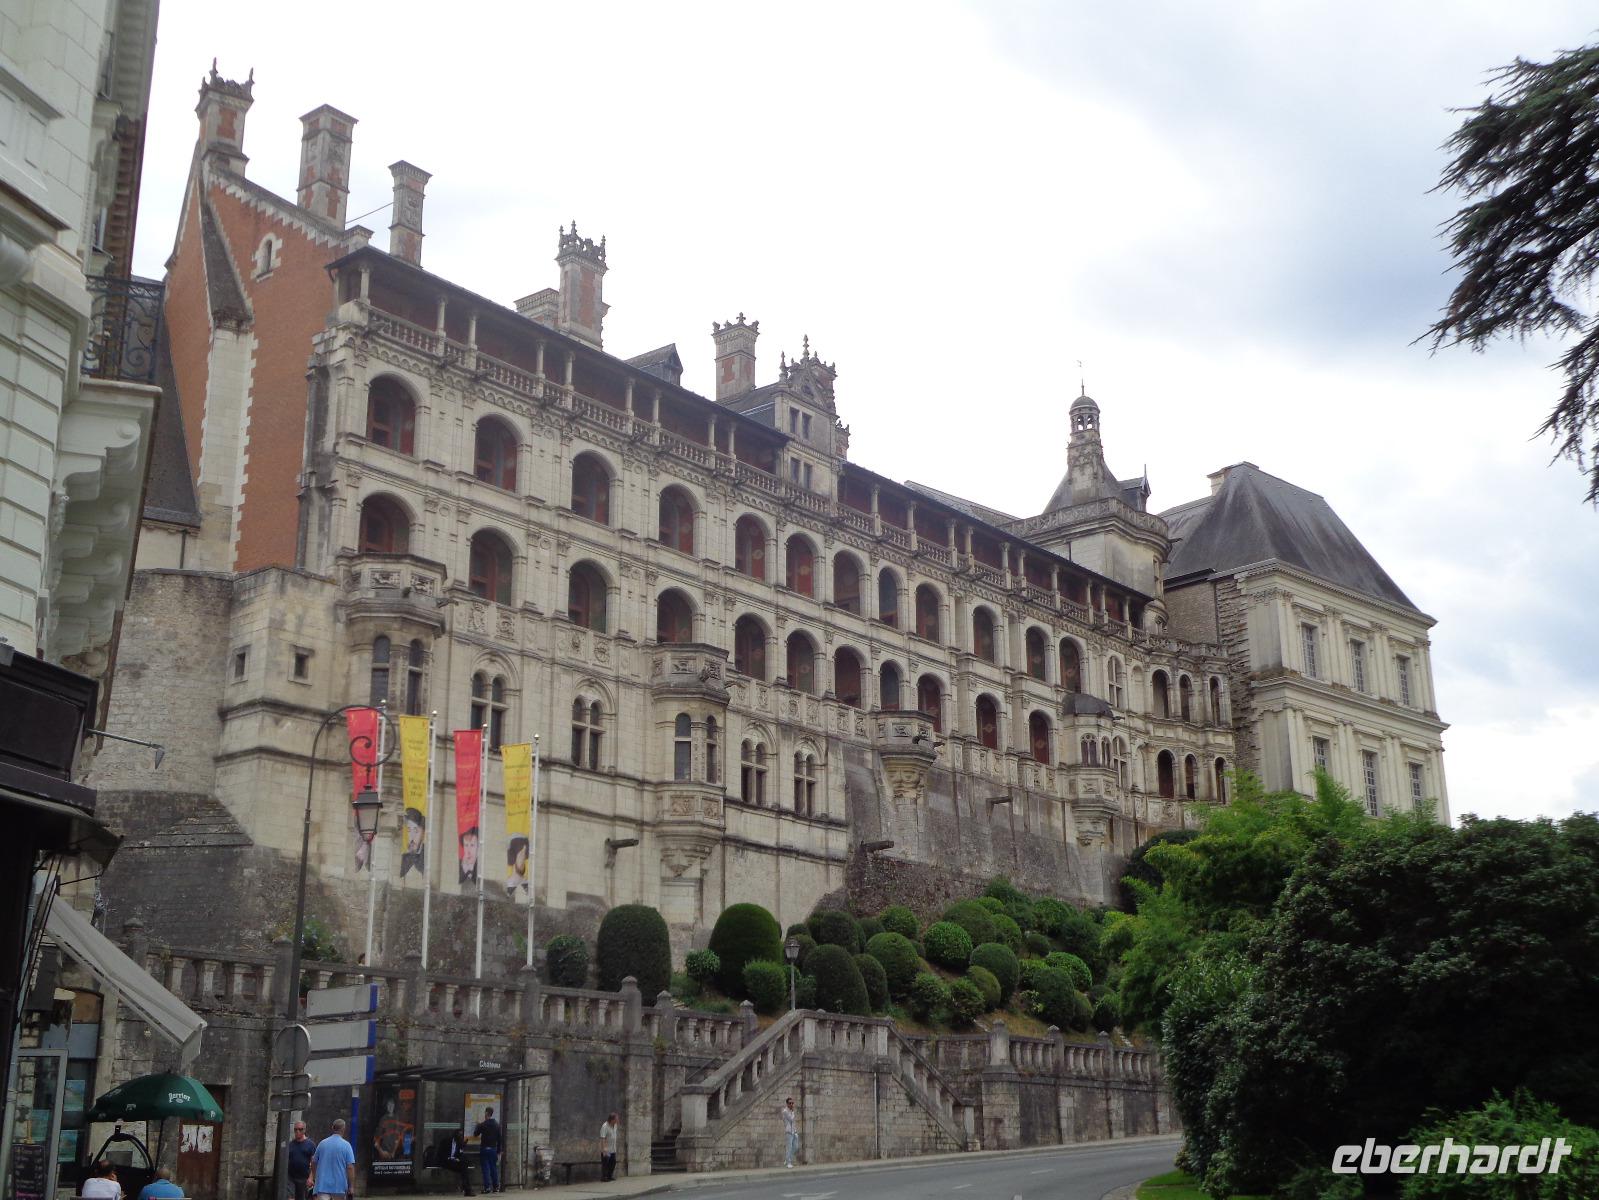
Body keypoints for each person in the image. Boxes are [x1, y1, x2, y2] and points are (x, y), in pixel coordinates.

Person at [309, 1118, 355, 1200]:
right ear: (344, 1129)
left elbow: (313, 1162)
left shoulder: (322, 1144)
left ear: (332, 1128)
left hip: (322, 1186)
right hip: (339, 1187)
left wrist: (316, 1177)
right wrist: (351, 1186)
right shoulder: (347, 1146)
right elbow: (350, 1167)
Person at [472, 1107, 502, 1193]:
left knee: (485, 1168)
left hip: (484, 1149)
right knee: (493, 1168)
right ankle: (496, 1187)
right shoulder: (497, 1125)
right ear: (492, 1114)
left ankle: (487, 1188)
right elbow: (500, 1139)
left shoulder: (482, 1124)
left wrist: (477, 1125)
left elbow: (475, 1134)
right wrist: (499, 1151)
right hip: (493, 1149)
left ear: (486, 1113)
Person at [286, 1121, 317, 1200]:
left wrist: (311, 1178)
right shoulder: (290, 1144)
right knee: (290, 1197)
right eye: (295, 1129)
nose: (297, 1132)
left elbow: (314, 1163)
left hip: (304, 1178)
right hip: (291, 1177)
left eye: (300, 1129)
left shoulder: (310, 1145)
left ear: (304, 1130)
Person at [440, 1128, 473, 1196]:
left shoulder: (459, 1143)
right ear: (455, 1135)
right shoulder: (446, 1141)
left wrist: (458, 1158)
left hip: (454, 1162)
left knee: (464, 1167)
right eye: (459, 1135)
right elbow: (441, 1153)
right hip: (446, 1161)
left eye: (461, 1135)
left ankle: (467, 1189)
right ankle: (467, 1190)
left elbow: (460, 1154)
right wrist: (450, 1158)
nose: (460, 1137)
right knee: (464, 1169)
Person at [400, 808, 426, 877]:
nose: (412, 835)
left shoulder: (426, 856)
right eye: (409, 830)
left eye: (415, 830)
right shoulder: (405, 858)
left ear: (423, 833)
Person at [598, 1112, 619, 1182]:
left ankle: (610, 1176)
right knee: (605, 1163)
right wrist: (604, 1149)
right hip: (606, 1149)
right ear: (612, 1120)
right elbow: (602, 1138)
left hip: (613, 1148)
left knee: (613, 1162)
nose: (617, 1120)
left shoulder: (615, 1125)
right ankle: (604, 1177)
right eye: (616, 1119)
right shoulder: (605, 1126)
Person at [780, 1096, 799, 1168]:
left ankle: (787, 1158)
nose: (791, 1104)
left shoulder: (791, 1111)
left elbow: (793, 1122)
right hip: (788, 1132)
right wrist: (793, 1112)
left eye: (792, 1103)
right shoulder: (785, 1111)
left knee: (796, 1147)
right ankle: (788, 1163)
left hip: (794, 1131)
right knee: (789, 1147)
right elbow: (791, 1119)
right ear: (787, 1104)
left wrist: (795, 1131)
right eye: (790, 1103)